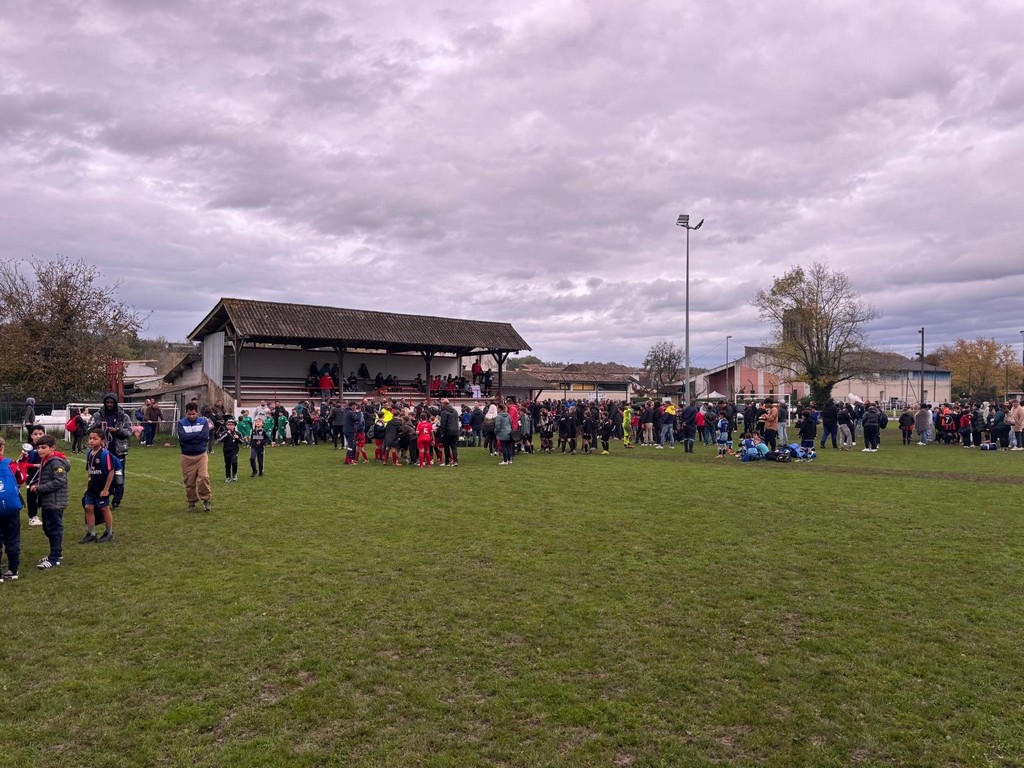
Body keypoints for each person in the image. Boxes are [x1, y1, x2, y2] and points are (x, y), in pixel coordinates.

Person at [31, 435, 70, 569]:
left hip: (55, 501)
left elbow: (60, 481)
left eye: (43, 447)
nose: (40, 450)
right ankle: (56, 552)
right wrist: (38, 484)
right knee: (48, 528)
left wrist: (40, 488)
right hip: (48, 500)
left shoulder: (55, 462)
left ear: (52, 448)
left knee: (54, 528)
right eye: (38, 448)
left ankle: (54, 558)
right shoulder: (46, 460)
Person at [89, 393, 132, 510]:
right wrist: (97, 425)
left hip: (118, 451)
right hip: (102, 452)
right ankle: (103, 497)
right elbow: (87, 429)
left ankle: (117, 501)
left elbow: (129, 432)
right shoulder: (97, 415)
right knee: (101, 476)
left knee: (118, 476)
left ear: (115, 403)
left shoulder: (123, 416)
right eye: (107, 402)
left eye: (111, 402)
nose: (109, 404)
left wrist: (116, 430)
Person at [80, 427, 116, 543]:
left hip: (102, 487)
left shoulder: (106, 454)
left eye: (95, 439)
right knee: (88, 507)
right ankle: (92, 534)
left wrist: (106, 489)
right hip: (92, 487)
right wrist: (88, 485)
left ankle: (109, 533)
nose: (91, 441)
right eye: (90, 438)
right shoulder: (89, 453)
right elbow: (90, 471)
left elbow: (111, 471)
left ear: (102, 441)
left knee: (104, 508)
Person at [177, 403, 212, 512]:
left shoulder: (203, 422)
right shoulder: (181, 423)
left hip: (201, 455)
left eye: (193, 414)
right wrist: (197, 435)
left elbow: (204, 436)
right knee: (189, 481)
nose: (191, 416)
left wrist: (190, 437)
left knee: (204, 477)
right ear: (186, 413)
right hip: (186, 456)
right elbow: (183, 437)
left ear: (197, 412)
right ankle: (191, 502)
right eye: (189, 414)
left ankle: (206, 499)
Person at [0, 436, 27, 582]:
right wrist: (21, 463)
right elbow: (21, 478)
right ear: (2, 448)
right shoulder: (10, 463)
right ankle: (13, 569)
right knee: (12, 538)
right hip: (10, 507)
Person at [21, 424, 46, 527]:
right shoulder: (28, 448)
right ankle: (32, 517)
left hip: (44, 475)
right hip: (32, 476)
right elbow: (23, 464)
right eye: (35, 434)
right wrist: (35, 465)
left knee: (45, 495)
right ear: (31, 436)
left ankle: (45, 514)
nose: (38, 436)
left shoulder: (47, 446)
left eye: (40, 434)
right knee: (32, 496)